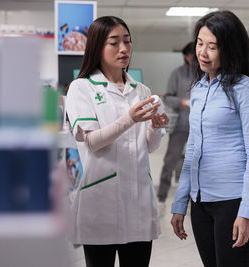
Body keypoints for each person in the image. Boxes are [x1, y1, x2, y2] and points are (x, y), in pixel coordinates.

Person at [65, 16, 168, 267]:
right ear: (98, 47)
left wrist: (154, 128)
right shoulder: (82, 88)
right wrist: (130, 118)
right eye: (114, 43)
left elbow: (149, 146)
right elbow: (93, 142)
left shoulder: (141, 90)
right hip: (102, 202)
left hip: (139, 201)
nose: (123, 49)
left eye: (127, 41)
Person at [170, 10, 249, 267]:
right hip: (200, 202)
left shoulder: (244, 89)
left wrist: (246, 212)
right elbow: (192, 150)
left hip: (232, 202)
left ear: (230, 49)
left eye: (212, 46)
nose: (202, 52)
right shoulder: (199, 88)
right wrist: (180, 202)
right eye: (200, 44)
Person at [156, 42, 194, 215]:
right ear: (186, 56)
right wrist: (182, 102)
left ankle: (196, 200)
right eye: (193, 54)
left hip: (201, 128)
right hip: (180, 124)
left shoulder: (208, 73)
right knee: (170, 162)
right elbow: (168, 98)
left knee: (198, 164)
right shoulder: (177, 74)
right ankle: (161, 199)